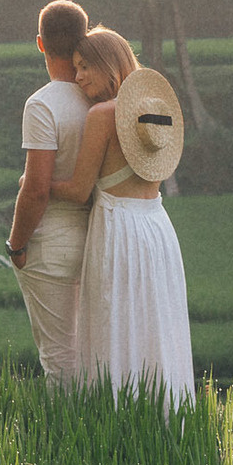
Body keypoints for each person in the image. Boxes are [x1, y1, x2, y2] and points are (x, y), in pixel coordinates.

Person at [51, 28, 195, 407]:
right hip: (157, 227)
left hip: (119, 228)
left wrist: (35, 183)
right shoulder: (154, 112)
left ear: (107, 65)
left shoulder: (101, 115)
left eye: (84, 67)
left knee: (113, 322)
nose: (78, 76)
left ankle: (115, 415)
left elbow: (79, 190)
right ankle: (165, 412)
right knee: (156, 324)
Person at [5, 0, 91, 382]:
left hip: (51, 247)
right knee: (91, 352)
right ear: (83, 40)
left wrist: (17, 245)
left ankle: (68, 438)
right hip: (98, 237)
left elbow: (36, 189)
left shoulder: (42, 105)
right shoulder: (102, 99)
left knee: (58, 357)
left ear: (40, 43)